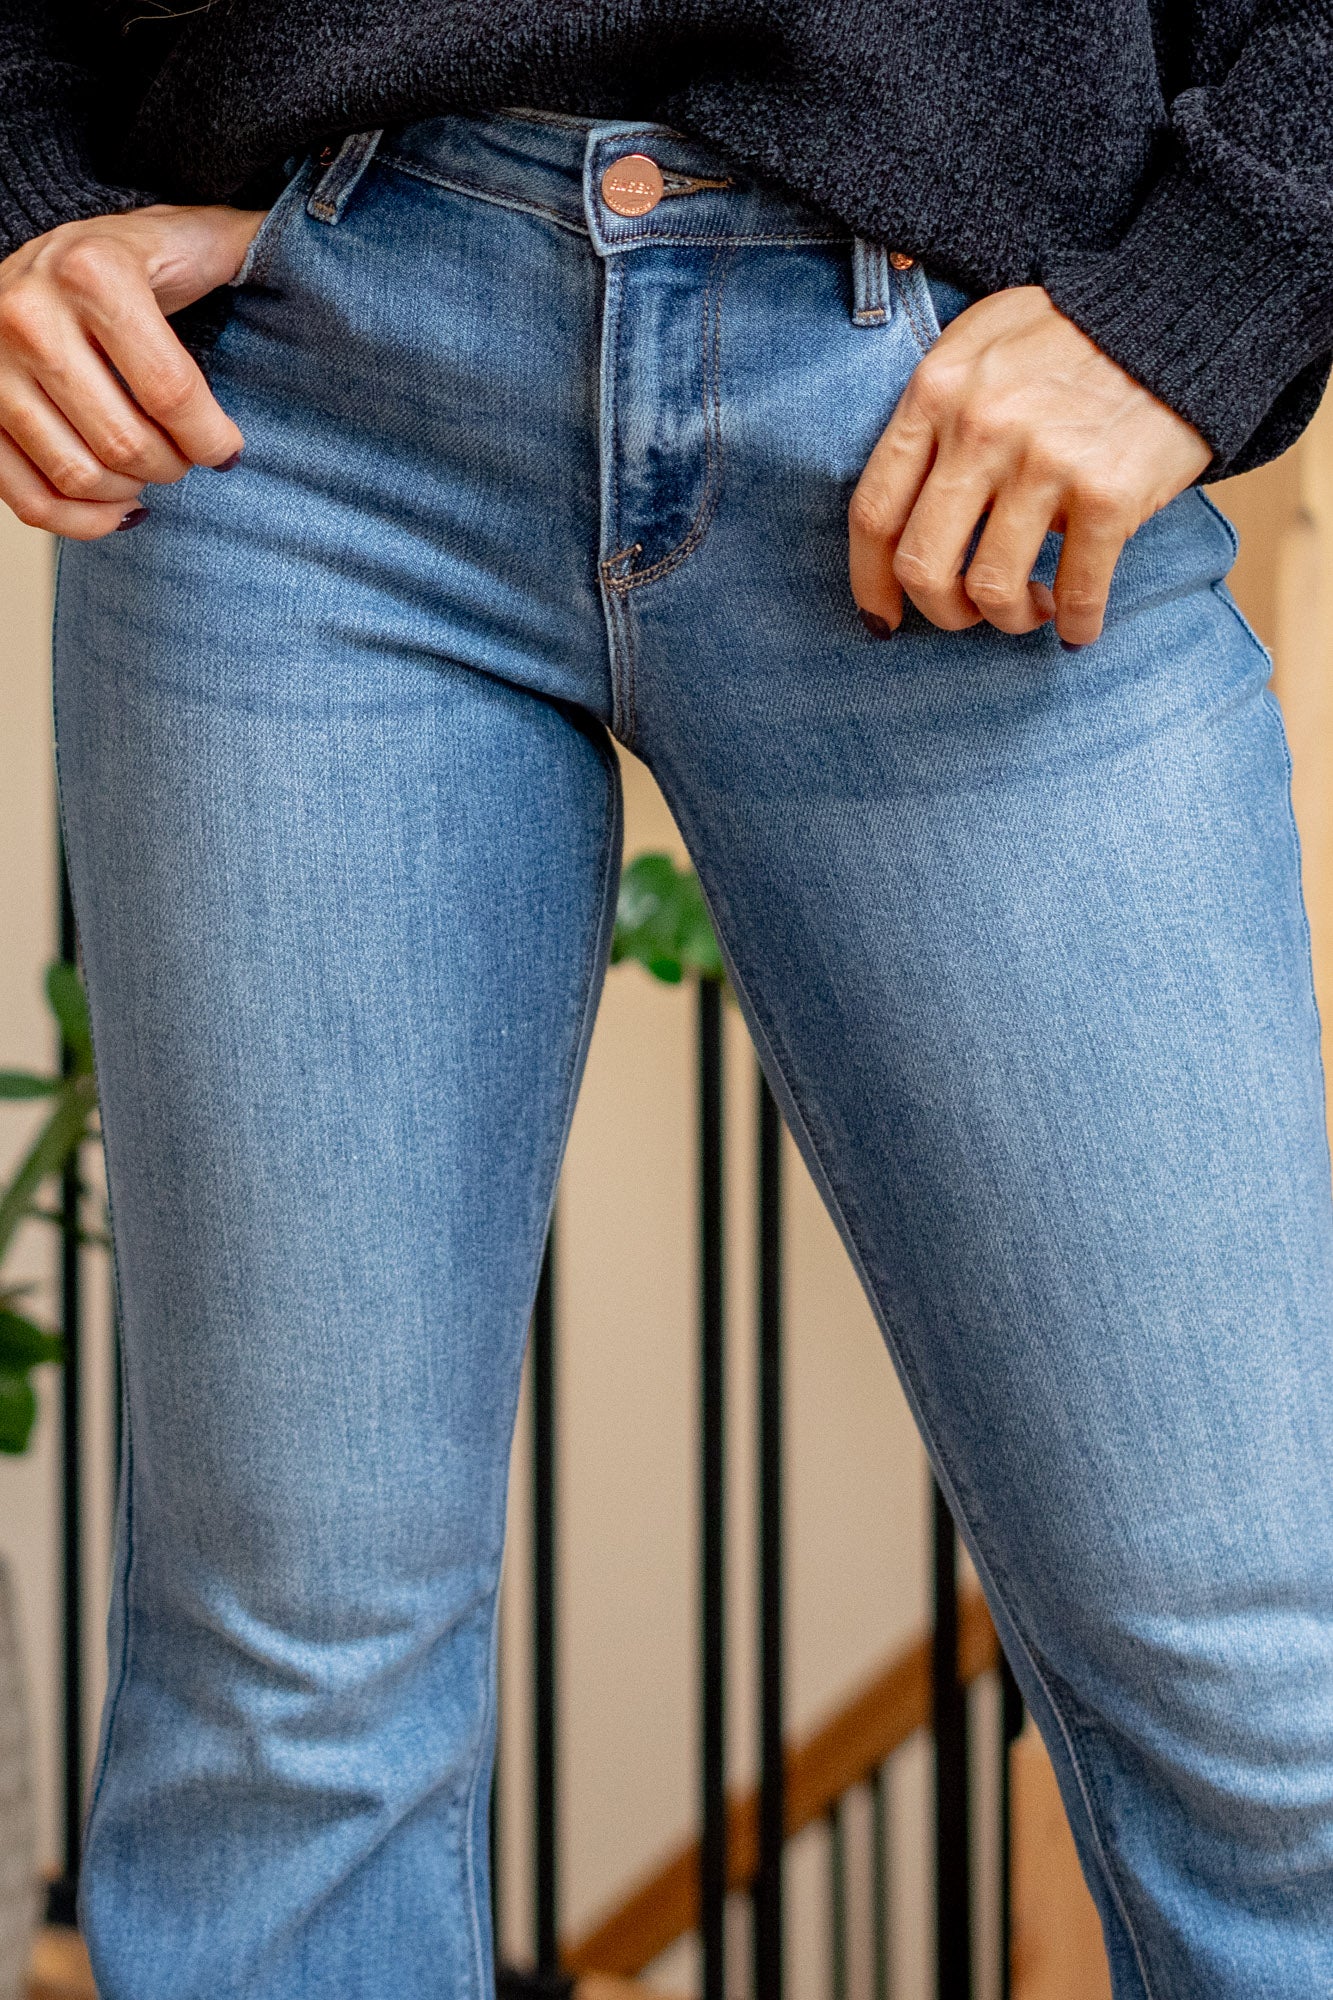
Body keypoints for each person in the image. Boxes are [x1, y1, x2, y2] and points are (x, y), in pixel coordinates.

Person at [1, 4, 1331, 1996]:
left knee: (1260, 1703)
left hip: (957, 412)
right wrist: (20, 186)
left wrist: (1211, 288)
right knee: (288, 1706)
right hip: (295, 400)